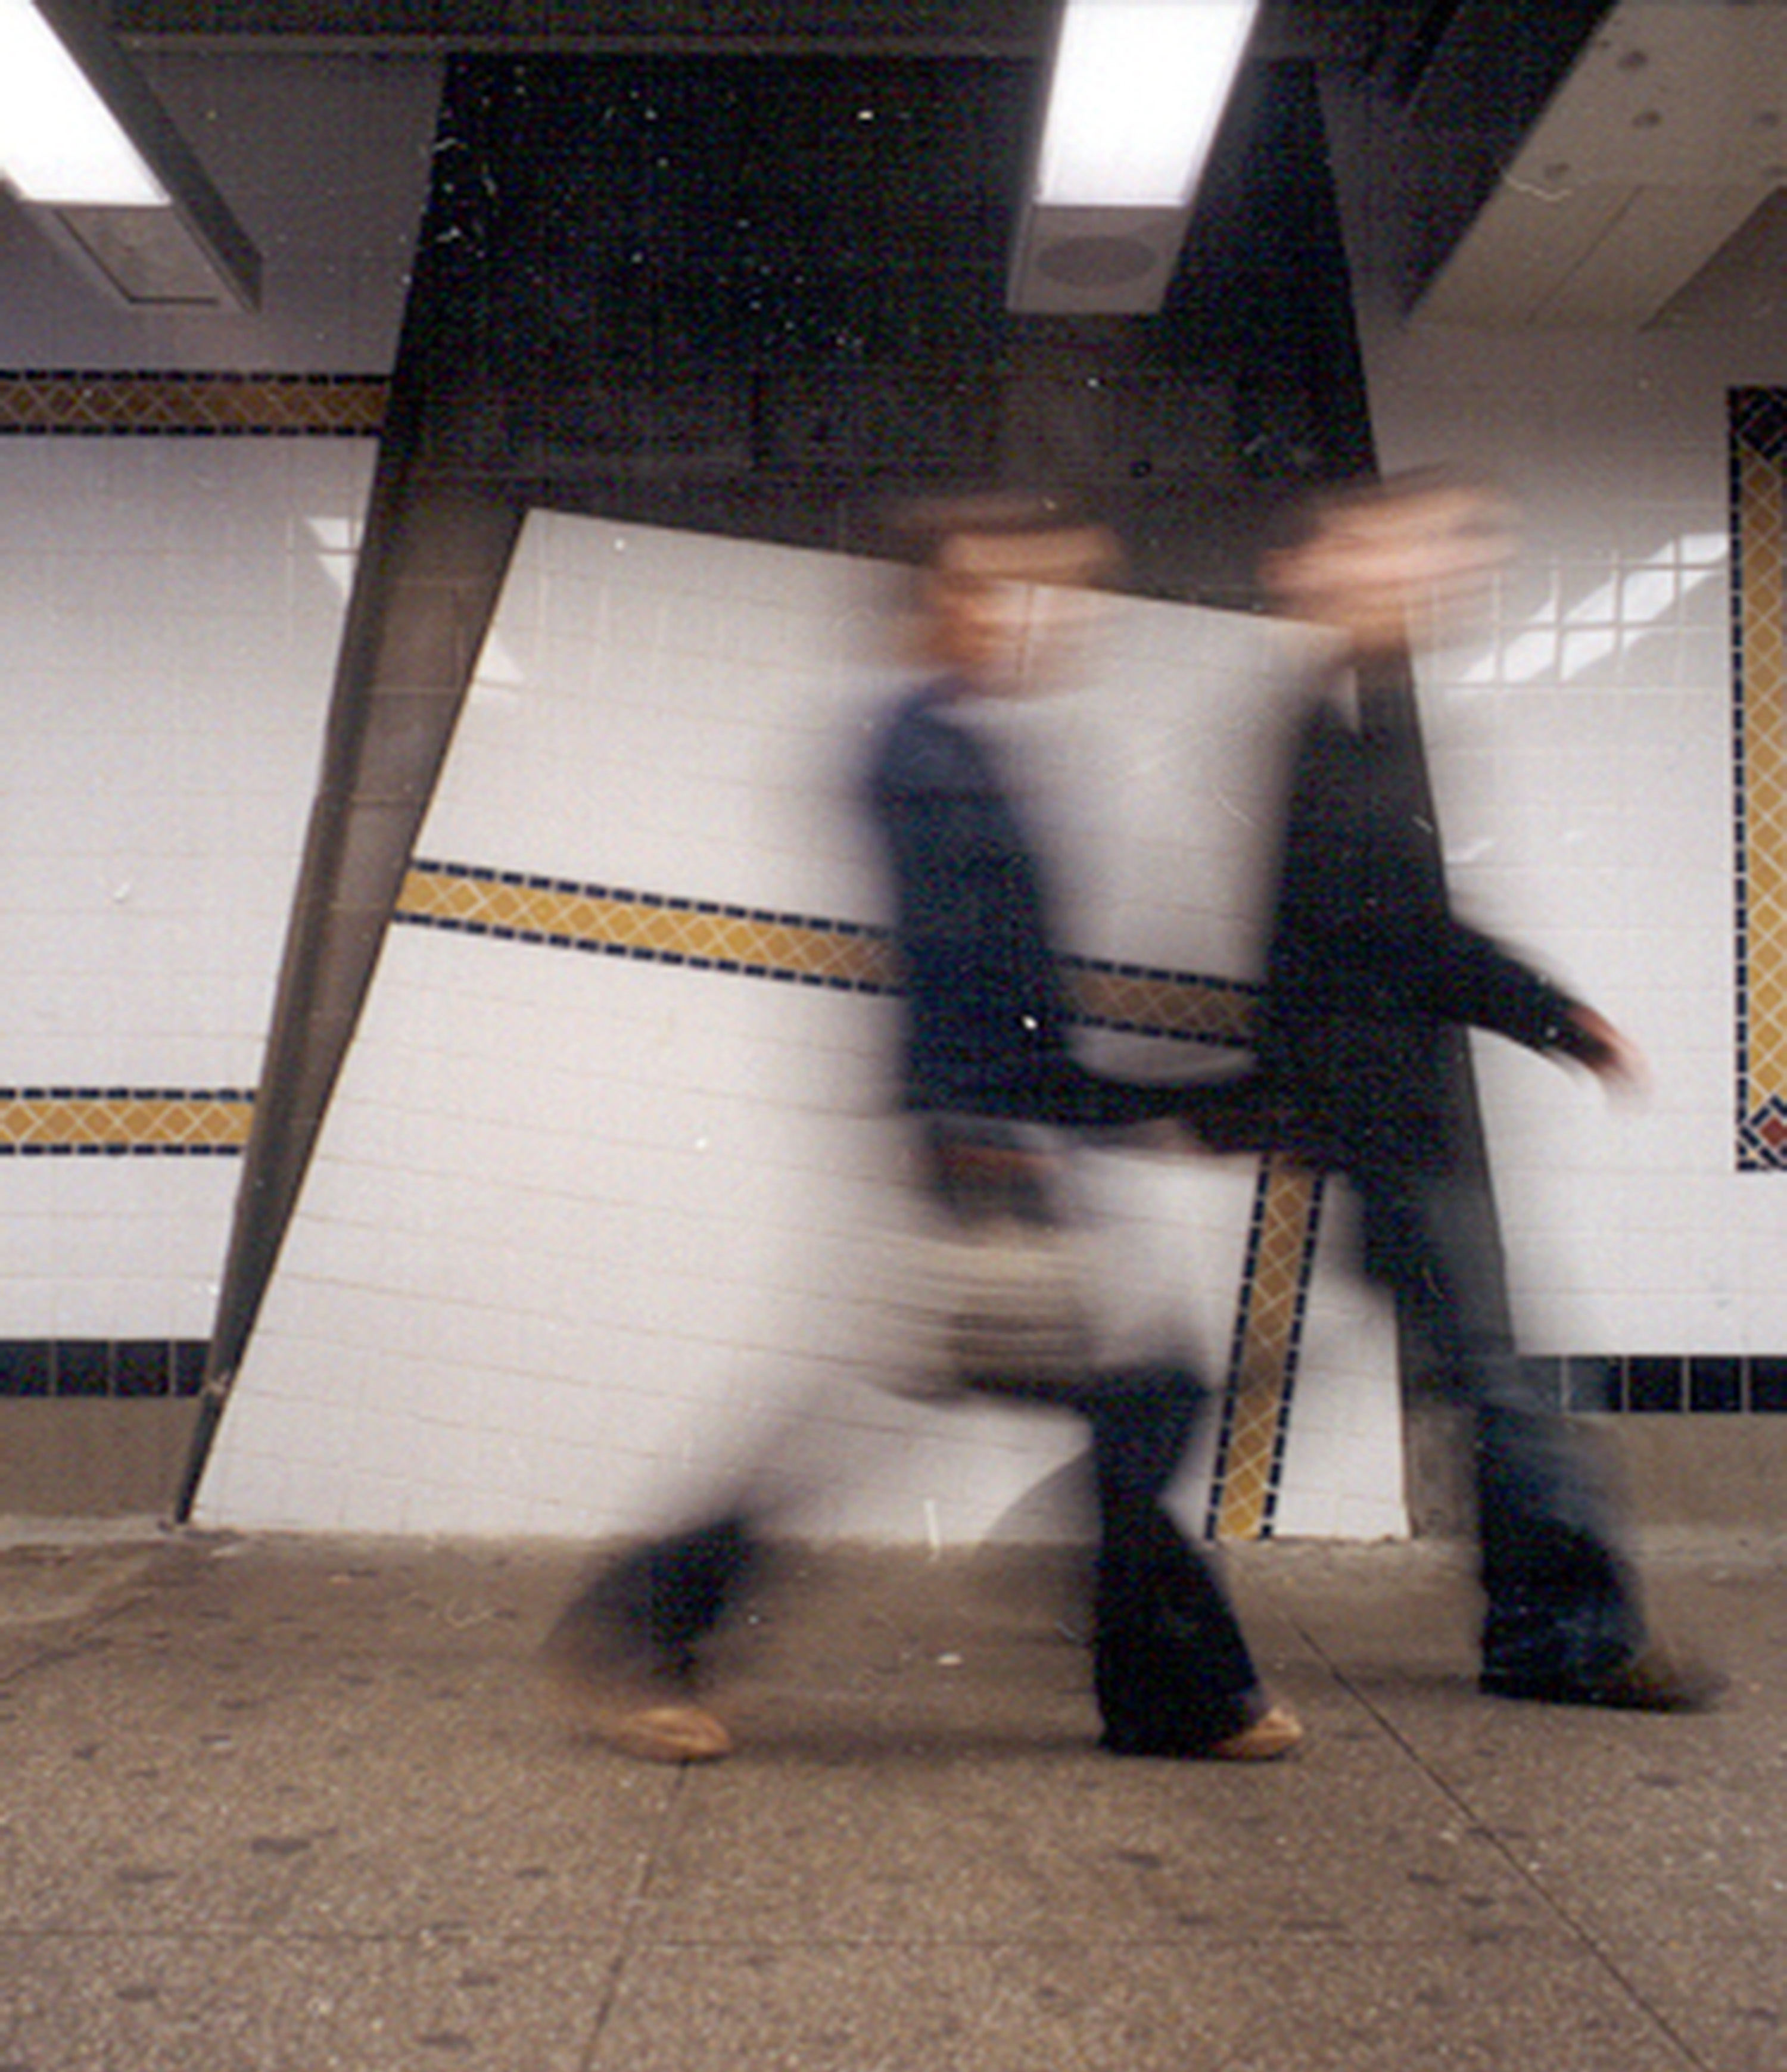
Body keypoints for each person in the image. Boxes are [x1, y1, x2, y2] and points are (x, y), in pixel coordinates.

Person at [542, 494, 1300, 1765]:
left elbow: (1013, 1014)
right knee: (1118, 1405)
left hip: (986, 1137)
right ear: (941, 608)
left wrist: (1140, 1113)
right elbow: (980, 1006)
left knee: (1081, 1408)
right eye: (1012, 592)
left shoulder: (947, 746)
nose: (1047, 618)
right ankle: (636, 1631)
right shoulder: (935, 764)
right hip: (977, 1149)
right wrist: (1107, 1121)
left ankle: (1175, 1691)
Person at [1238, 468, 1719, 1712]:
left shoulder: (1368, 716)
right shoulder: (1334, 730)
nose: (1435, 577)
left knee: (1477, 1378)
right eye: (1403, 554)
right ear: (1320, 568)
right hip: (1394, 1124)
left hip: (1394, 1118)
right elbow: (1397, 933)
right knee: (1502, 1388)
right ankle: (1568, 1639)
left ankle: (1126, 1541)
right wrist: (1551, 1012)